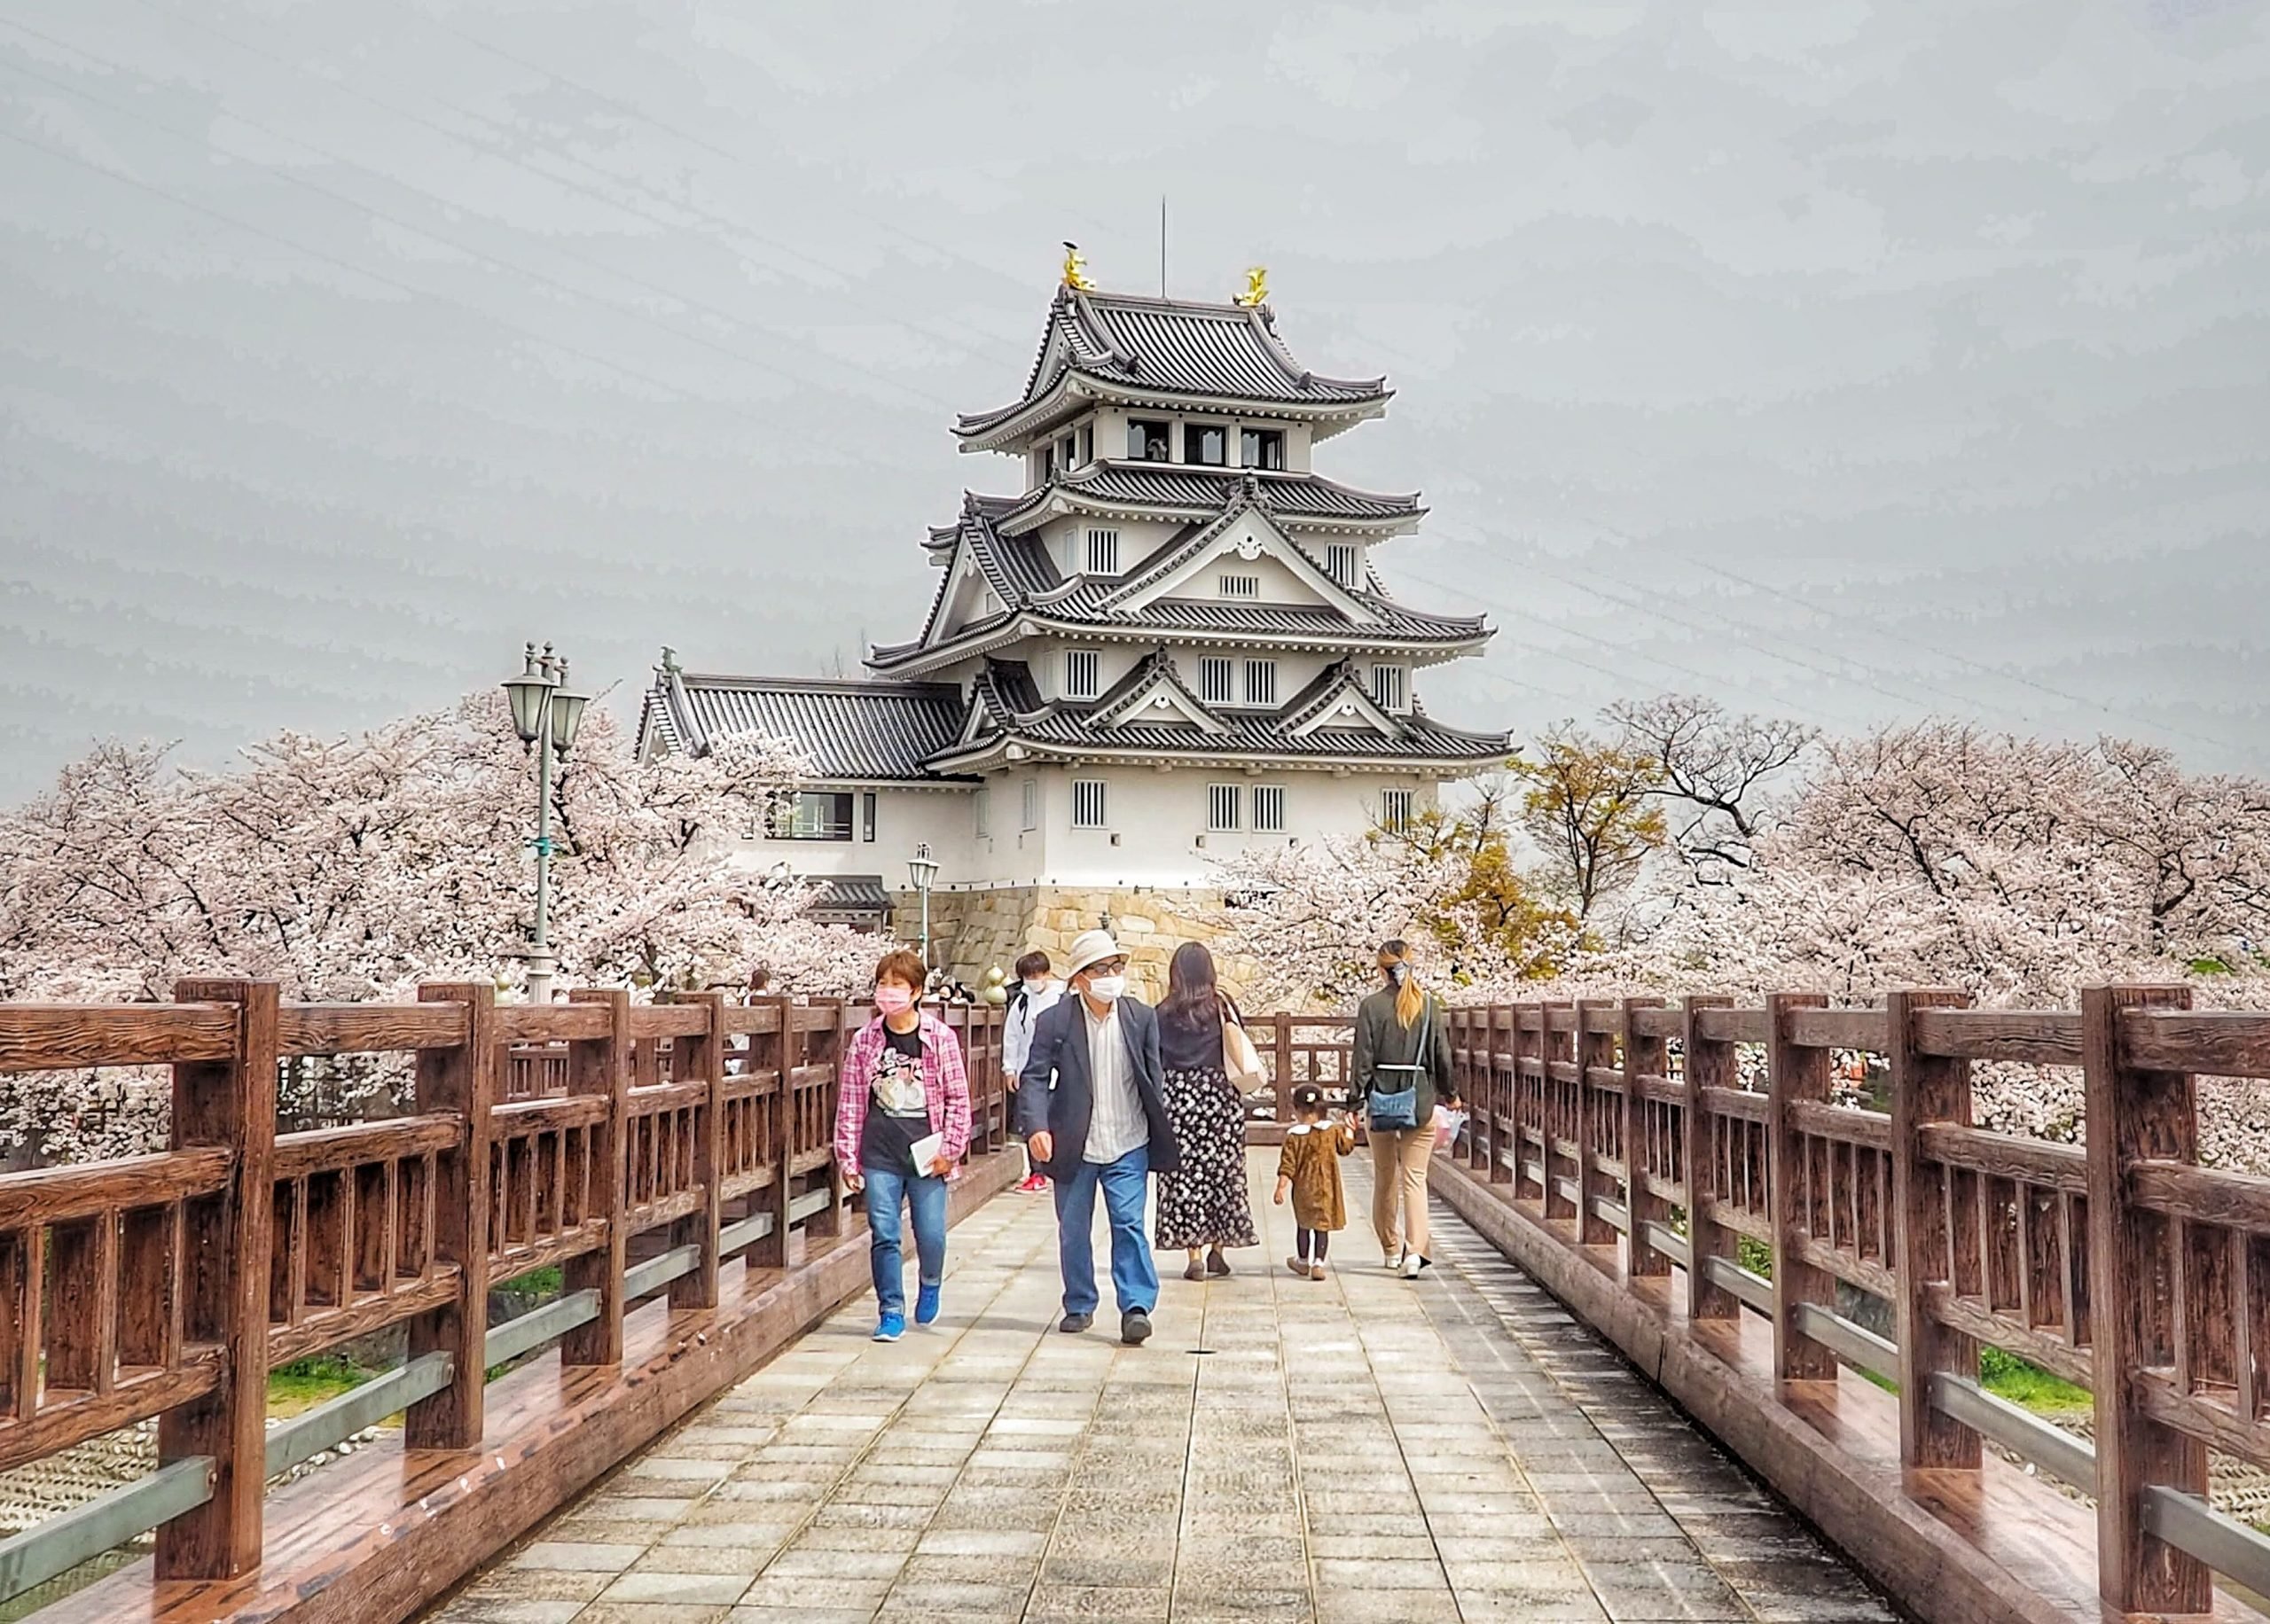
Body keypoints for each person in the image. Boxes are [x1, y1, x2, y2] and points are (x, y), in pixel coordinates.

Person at [1017, 929, 1179, 1345]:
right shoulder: (1054, 1021)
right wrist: (1037, 1126)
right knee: (1073, 1228)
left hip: (1129, 1139)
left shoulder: (1140, 1018)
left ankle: (1136, 1305)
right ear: (1081, 978)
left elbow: (1152, 1077)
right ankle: (1080, 1302)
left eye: (1116, 967)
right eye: (1102, 969)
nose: (1112, 975)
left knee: (1128, 1224)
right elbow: (1034, 1077)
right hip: (1075, 1142)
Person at [833, 948, 971, 1341]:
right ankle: (890, 1309)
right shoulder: (866, 1040)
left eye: (897, 985)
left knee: (931, 1233)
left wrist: (952, 1148)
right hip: (880, 1151)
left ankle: (930, 1281)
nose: (888, 992)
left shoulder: (940, 1038)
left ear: (916, 992)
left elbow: (959, 1096)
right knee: (884, 1232)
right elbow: (852, 1099)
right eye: (883, 984)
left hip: (927, 1153)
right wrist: (848, 1156)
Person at [1153, 941, 1259, 1280]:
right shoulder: (1221, 1006)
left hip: (1179, 1100)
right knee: (1222, 1173)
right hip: (1219, 1099)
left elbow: (1154, 1059)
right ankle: (1218, 1250)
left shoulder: (1163, 1012)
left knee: (1183, 1176)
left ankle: (1194, 1253)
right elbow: (1237, 1041)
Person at [1353, 939, 1454, 1280]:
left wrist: (1355, 1100)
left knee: (1385, 1177)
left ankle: (1390, 1248)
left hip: (1381, 1098)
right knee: (1415, 1179)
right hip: (1420, 1099)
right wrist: (1451, 1094)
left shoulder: (1371, 1006)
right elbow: (1442, 1056)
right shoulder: (1428, 1006)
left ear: (1381, 969)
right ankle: (1416, 1251)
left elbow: (1362, 1058)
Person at [1274, 1083, 1356, 1280]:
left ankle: (1302, 1261)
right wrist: (1350, 1130)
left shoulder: (1294, 1137)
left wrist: (1281, 1188)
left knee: (1303, 1225)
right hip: (1327, 1188)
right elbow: (1345, 1149)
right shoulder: (1331, 1131)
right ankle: (1318, 1263)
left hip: (1304, 1190)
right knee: (1322, 1226)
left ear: (1297, 1109)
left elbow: (1288, 1166)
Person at [1001, 950, 1061, 1194]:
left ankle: (1055, 1168)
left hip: (1057, 1074)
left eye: (1036, 974)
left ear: (1046, 973)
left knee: (1056, 1123)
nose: (1033, 980)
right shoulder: (1022, 1002)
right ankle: (1037, 1171)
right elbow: (1012, 1036)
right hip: (1029, 1072)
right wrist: (1010, 1069)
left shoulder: (1062, 999)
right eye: (1028, 976)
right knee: (1031, 1123)